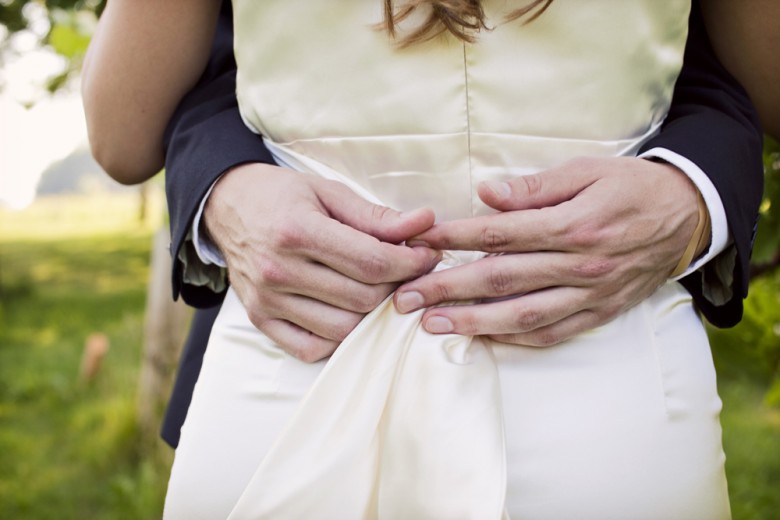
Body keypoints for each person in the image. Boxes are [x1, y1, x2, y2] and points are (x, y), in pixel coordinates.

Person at [82, 0, 766, 518]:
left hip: (307, 376)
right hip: (605, 396)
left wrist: (691, 192)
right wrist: (224, 187)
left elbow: (123, 129)